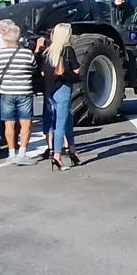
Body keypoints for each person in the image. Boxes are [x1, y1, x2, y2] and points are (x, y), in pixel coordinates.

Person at [0, 19, 38, 163]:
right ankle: (22, 153)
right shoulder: (27, 54)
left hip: (6, 91)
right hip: (24, 91)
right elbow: (33, 68)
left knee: (8, 123)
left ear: (5, 38)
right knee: (25, 123)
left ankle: (11, 153)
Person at [37, 23, 83, 169]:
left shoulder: (49, 51)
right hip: (63, 88)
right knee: (61, 124)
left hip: (50, 90)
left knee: (66, 119)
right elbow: (76, 70)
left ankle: (72, 150)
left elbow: (43, 72)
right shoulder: (67, 50)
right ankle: (57, 155)